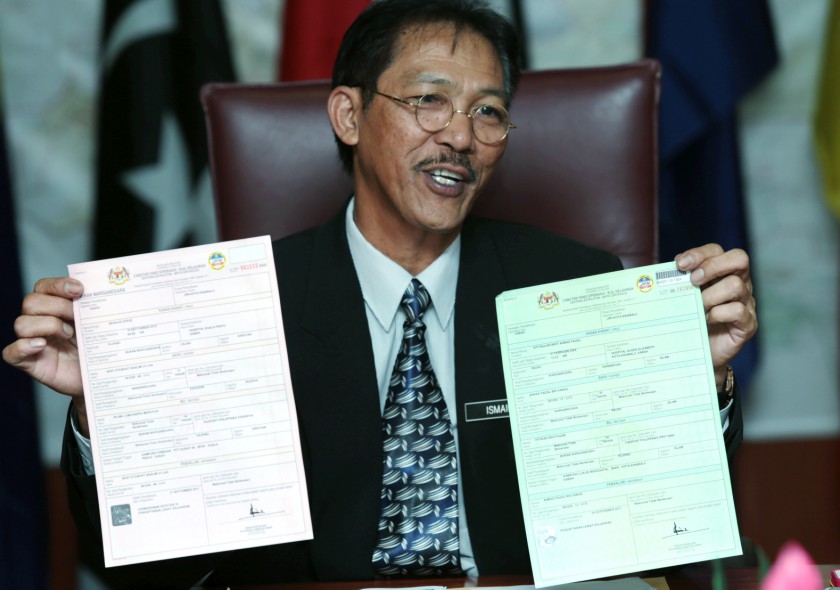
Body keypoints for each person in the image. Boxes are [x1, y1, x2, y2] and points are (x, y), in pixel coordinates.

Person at [3, 0, 757, 587]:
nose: (460, 136)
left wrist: (701, 384)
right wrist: (107, 418)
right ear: (350, 115)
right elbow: (146, 571)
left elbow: (661, 526)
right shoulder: (234, 312)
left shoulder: (574, 286)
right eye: (430, 100)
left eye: (488, 112)